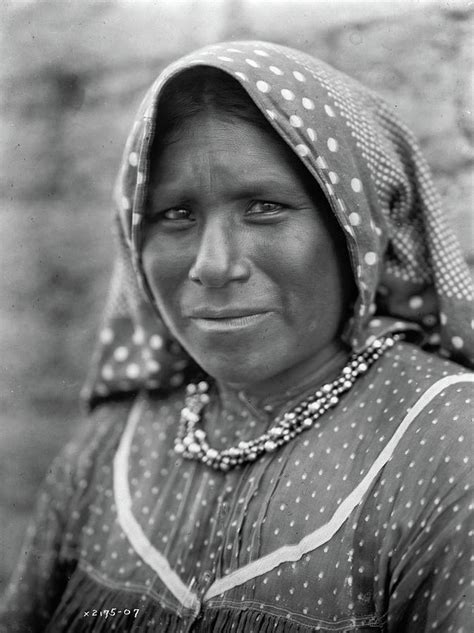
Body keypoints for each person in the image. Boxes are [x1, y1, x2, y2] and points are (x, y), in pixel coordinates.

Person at [1, 41, 472, 633]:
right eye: (176, 215)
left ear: (357, 233)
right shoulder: (111, 446)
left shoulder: (446, 441)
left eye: (265, 207)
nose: (214, 265)